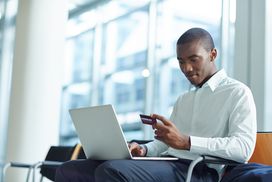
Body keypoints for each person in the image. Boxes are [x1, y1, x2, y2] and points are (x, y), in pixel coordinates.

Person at [55, 28, 257, 182]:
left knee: (110, 170)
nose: (186, 68)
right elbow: (165, 145)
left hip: (201, 170)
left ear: (212, 54)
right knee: (68, 169)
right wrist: (144, 150)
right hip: (169, 161)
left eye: (194, 59)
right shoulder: (184, 99)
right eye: (180, 61)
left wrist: (186, 142)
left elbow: (243, 148)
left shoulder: (237, 93)